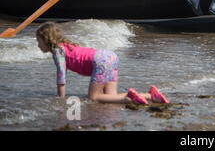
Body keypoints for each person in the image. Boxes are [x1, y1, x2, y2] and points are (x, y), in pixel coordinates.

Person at [36, 22, 169, 104]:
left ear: (46, 39)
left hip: (100, 61)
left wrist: (61, 99)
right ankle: (150, 95)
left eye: (39, 41)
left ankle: (130, 97)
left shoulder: (58, 51)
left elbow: (61, 78)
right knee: (110, 97)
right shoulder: (66, 46)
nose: (38, 45)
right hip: (109, 56)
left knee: (93, 98)